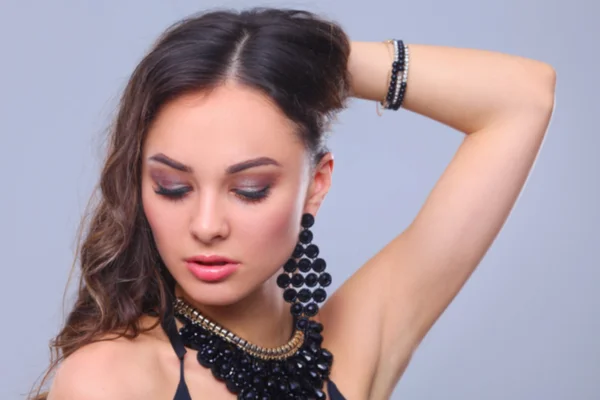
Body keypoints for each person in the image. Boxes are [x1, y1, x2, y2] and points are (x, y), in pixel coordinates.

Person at [31, 7, 556, 400]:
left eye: (249, 189)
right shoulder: (113, 380)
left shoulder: (354, 348)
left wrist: (308, 63)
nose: (206, 225)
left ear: (315, 186)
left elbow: (522, 98)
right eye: (173, 187)